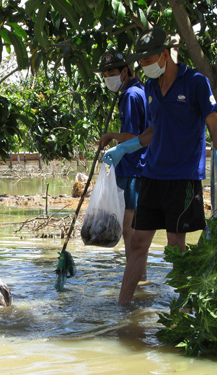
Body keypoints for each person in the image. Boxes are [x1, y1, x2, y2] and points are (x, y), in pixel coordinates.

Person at [102, 28, 217, 304]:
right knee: (137, 242)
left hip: (181, 179)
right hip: (152, 176)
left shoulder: (195, 82)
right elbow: (153, 131)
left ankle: (186, 310)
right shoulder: (150, 88)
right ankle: (121, 309)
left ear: (164, 55)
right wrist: (124, 147)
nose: (144, 67)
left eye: (148, 61)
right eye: (142, 62)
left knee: (175, 247)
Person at [96, 50, 148, 274]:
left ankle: (135, 278)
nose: (108, 77)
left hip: (133, 168)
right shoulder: (143, 91)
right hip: (142, 167)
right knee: (135, 227)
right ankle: (139, 276)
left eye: (112, 72)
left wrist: (111, 136)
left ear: (125, 71)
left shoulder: (129, 96)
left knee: (129, 229)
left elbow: (132, 135)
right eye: (105, 73)